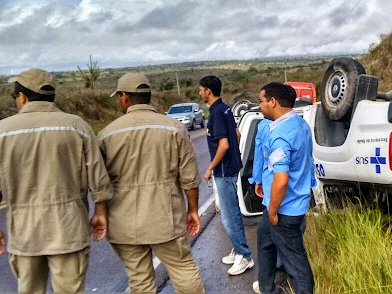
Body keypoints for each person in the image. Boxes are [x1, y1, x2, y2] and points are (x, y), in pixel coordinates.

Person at [0, 68, 113, 294]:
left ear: (23, 97)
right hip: (69, 228)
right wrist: (100, 210)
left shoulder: (3, 131)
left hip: (24, 233)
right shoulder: (76, 126)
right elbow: (98, 176)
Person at [98, 73, 204, 294]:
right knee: (183, 269)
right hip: (166, 218)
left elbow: (99, 182)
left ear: (125, 97)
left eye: (119, 97)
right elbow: (189, 177)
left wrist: (100, 212)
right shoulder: (174, 128)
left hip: (123, 222)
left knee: (139, 279)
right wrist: (192, 209)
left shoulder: (107, 134)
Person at [256, 82, 315, 294]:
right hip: (287, 203)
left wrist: (272, 211)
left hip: (283, 208)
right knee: (265, 244)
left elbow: (281, 180)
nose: (260, 106)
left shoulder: (280, 135)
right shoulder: (300, 125)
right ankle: (266, 288)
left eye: (261, 101)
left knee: (296, 265)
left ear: (273, 102)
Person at [198, 75, 254, 276]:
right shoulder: (226, 109)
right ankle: (237, 248)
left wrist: (210, 168)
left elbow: (224, 144)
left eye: (201, 89)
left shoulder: (215, 114)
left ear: (208, 91)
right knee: (232, 211)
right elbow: (237, 135)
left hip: (223, 170)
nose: (199, 93)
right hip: (230, 167)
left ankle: (245, 256)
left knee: (229, 216)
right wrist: (232, 158)